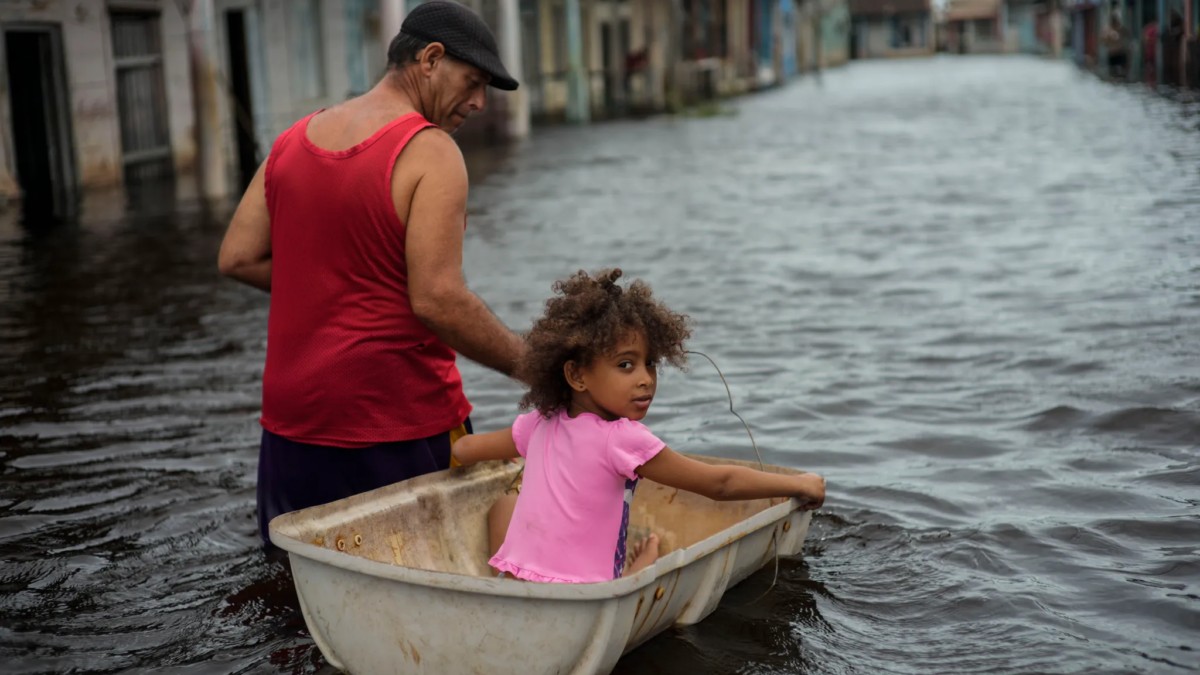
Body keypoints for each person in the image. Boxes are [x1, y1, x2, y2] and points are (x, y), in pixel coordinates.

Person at [217, 1, 525, 546]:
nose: (479, 102)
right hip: (394, 421)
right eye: (473, 81)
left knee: (300, 591)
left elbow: (236, 257)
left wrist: (334, 280)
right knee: (429, 582)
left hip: (293, 425)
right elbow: (438, 300)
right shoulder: (431, 151)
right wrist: (537, 368)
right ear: (430, 59)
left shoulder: (292, 139)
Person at [451, 270, 827, 583]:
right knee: (634, 566)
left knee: (504, 502)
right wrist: (799, 484)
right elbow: (719, 484)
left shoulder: (539, 422)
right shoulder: (623, 440)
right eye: (626, 365)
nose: (646, 379)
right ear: (576, 375)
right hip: (585, 597)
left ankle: (499, 580)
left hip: (518, 587)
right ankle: (644, 562)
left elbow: (464, 450)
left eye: (651, 364)